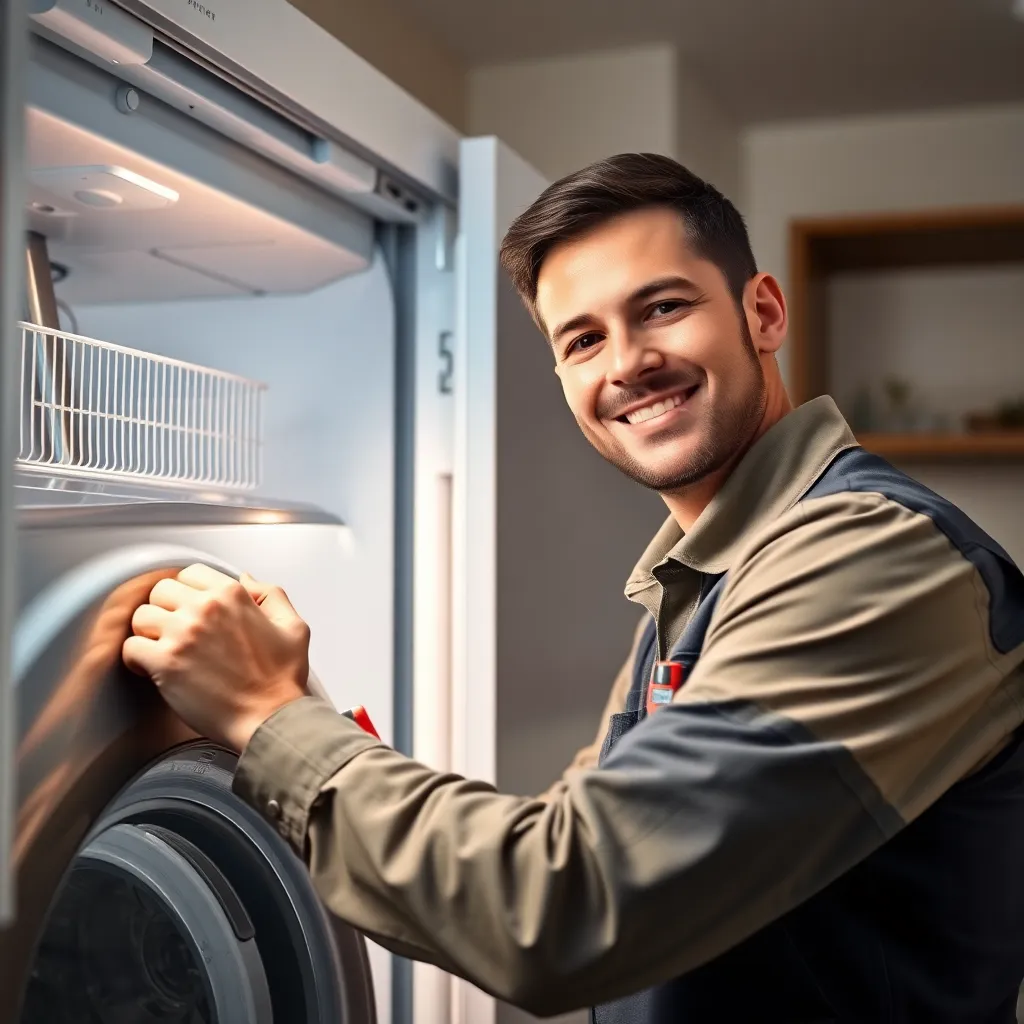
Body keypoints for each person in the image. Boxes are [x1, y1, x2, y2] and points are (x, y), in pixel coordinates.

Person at [123, 154, 1024, 1023]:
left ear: (763, 311)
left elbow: (565, 908)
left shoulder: (867, 559)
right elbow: (544, 856)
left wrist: (266, 717)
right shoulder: (712, 569)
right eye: (583, 339)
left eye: (662, 307)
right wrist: (294, 709)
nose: (626, 364)